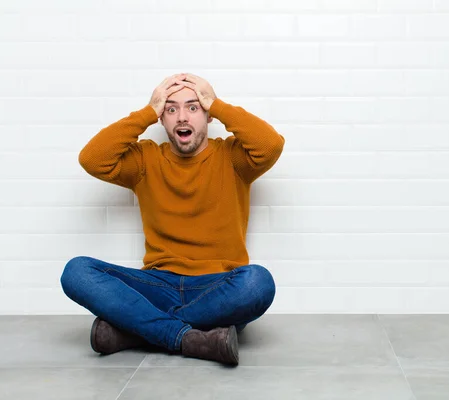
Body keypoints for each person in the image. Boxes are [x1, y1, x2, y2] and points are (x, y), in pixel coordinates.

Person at [60, 73, 285, 366]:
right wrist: (146, 113)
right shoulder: (144, 160)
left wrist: (216, 103)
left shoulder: (233, 158)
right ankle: (188, 337)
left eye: (193, 107)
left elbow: (271, 145)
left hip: (216, 289)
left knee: (258, 283)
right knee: (76, 271)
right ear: (162, 120)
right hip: (158, 285)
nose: (182, 117)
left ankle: (138, 331)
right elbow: (92, 159)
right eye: (170, 109)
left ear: (208, 117)